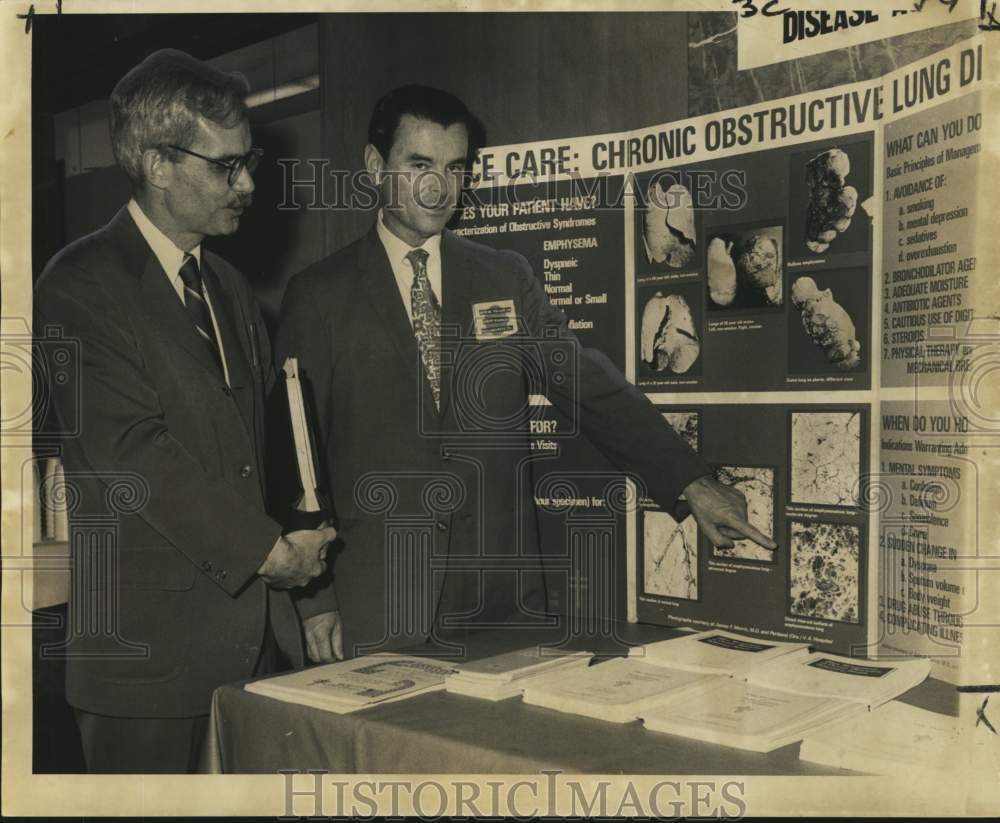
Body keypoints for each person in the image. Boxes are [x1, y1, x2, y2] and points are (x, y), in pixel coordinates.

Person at [275, 84, 775, 660]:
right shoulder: (318, 296)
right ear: (372, 166)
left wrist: (692, 480)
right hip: (378, 605)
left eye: (455, 167)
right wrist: (315, 600)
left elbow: (586, 383)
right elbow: (296, 458)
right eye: (419, 165)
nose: (440, 187)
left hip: (501, 604)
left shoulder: (503, 277)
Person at [33, 49, 339, 774]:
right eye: (227, 166)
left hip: (252, 653)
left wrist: (312, 588)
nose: (250, 183)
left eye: (249, 160)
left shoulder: (230, 288)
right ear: (157, 163)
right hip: (146, 669)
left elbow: (260, 455)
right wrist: (271, 555)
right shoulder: (78, 286)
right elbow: (134, 453)